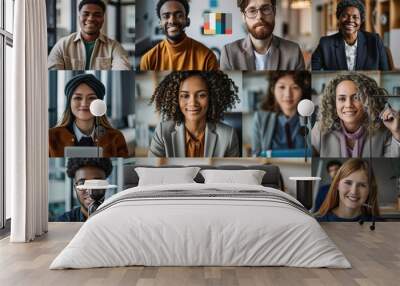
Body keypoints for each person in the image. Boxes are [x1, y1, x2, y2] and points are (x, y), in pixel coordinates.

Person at [148, 70, 240, 157]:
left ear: (212, 98)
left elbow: (231, 173)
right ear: (176, 100)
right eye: (185, 96)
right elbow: (152, 171)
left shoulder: (228, 136)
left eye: (201, 95)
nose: (192, 103)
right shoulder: (162, 133)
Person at [311, 73, 400, 158]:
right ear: (334, 103)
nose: (349, 104)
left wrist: (397, 132)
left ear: (369, 101)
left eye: (356, 97)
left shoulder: (385, 130)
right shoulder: (320, 129)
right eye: (342, 99)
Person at [49, 73, 129, 157]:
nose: (84, 104)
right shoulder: (51, 137)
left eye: (91, 98)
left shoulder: (116, 137)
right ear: (69, 103)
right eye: (78, 98)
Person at [220, 0, 305, 70]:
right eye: (252, 11)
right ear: (244, 17)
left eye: (265, 9)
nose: (260, 16)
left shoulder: (294, 51)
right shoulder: (229, 53)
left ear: (274, 12)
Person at [48, 0, 131, 70]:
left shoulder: (114, 47)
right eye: (86, 14)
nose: (91, 18)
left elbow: (123, 69)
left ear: (103, 19)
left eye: (97, 15)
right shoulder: (62, 45)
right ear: (79, 17)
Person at [139, 0, 219, 71]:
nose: (172, 21)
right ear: (160, 23)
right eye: (166, 16)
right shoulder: (148, 60)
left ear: (187, 21)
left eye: (179, 15)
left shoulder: (207, 57)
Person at [312, 0, 389, 71]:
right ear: (338, 18)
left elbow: (386, 76)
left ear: (361, 21)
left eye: (355, 17)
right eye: (345, 16)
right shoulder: (325, 44)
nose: (350, 20)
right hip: (338, 86)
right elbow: (314, 74)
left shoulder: (375, 41)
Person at [252, 71, 311, 156]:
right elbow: (257, 156)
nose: (288, 94)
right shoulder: (260, 118)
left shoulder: (312, 117)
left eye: (295, 87)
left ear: (303, 90)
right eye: (282, 87)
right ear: (273, 89)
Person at [315, 158, 380, 222]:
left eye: (362, 185)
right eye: (348, 183)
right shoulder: (318, 222)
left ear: (370, 189)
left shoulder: (377, 223)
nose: (353, 192)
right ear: (337, 185)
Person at [56, 158, 113, 222]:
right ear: (75, 187)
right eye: (82, 184)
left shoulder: (116, 219)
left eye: (97, 183)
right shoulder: (64, 221)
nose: (90, 191)